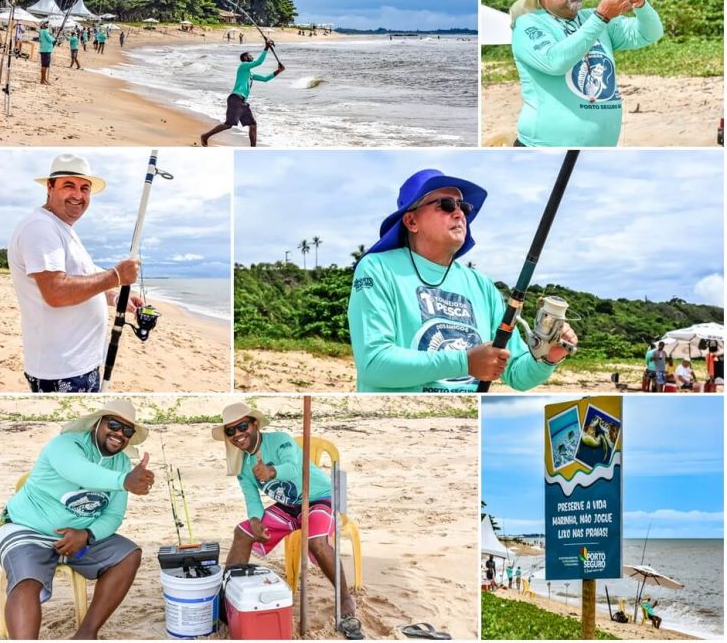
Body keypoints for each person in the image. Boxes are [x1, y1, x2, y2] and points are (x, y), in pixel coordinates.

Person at [347, 168, 578, 392]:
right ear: (411, 221)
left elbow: (516, 373)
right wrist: (464, 362)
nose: (459, 213)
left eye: (463, 207)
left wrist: (549, 356)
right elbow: (373, 364)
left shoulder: (482, 285)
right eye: (446, 205)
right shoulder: (377, 269)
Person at [0, 399, 154, 639]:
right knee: (27, 582)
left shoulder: (121, 463)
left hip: (79, 540)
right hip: (27, 529)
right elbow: (79, 471)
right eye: (113, 424)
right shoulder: (65, 445)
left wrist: (87, 535)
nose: (119, 433)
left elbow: (113, 515)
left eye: (127, 430)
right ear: (96, 424)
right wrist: (123, 481)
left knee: (128, 555)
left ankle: (86, 634)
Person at [214, 402, 361, 633]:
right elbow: (252, 499)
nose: (238, 435)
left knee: (315, 541)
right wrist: (255, 521)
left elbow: (294, 468)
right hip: (289, 505)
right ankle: (227, 598)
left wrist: (272, 471)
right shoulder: (243, 464)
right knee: (242, 533)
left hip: (319, 498)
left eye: (242, 426)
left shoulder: (280, 439)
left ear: (254, 424)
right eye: (230, 431)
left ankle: (344, 597)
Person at [7, 154, 143, 393]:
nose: (78, 196)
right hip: (61, 371)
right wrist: (116, 276)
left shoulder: (63, 228)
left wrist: (116, 297)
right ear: (50, 187)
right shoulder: (40, 227)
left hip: (82, 365)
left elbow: (84, 280)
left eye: (85, 188)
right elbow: (56, 292)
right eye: (68, 185)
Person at [510, 0, 663, 147]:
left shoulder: (593, 19)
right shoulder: (528, 24)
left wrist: (641, 5)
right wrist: (601, 17)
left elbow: (649, 34)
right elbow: (555, 62)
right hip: (540, 148)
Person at [201, 39, 284, 146]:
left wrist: (278, 71)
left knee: (253, 124)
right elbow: (259, 62)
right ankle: (205, 136)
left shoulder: (250, 74)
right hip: (235, 98)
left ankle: (253, 149)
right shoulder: (243, 66)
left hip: (242, 102)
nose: (252, 57)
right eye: (250, 56)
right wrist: (266, 48)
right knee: (228, 125)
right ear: (245, 58)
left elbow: (265, 79)